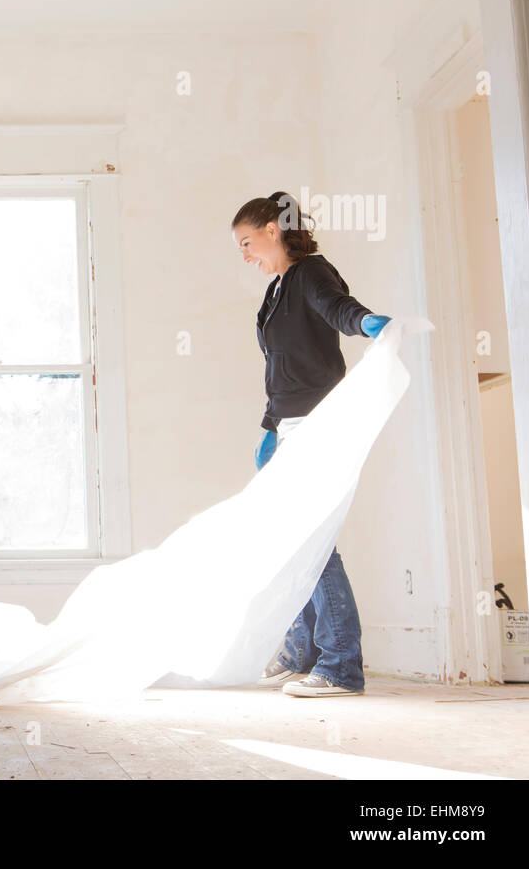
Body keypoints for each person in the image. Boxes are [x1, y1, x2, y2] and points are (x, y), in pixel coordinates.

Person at [231, 191, 389, 698]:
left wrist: (365, 322)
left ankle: (341, 665)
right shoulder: (276, 289)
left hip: (319, 423)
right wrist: (270, 427)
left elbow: (337, 308)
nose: (246, 253)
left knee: (313, 541)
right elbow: (281, 366)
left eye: (247, 242)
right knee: (292, 541)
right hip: (291, 425)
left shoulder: (310, 273)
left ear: (273, 230)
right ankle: (304, 650)